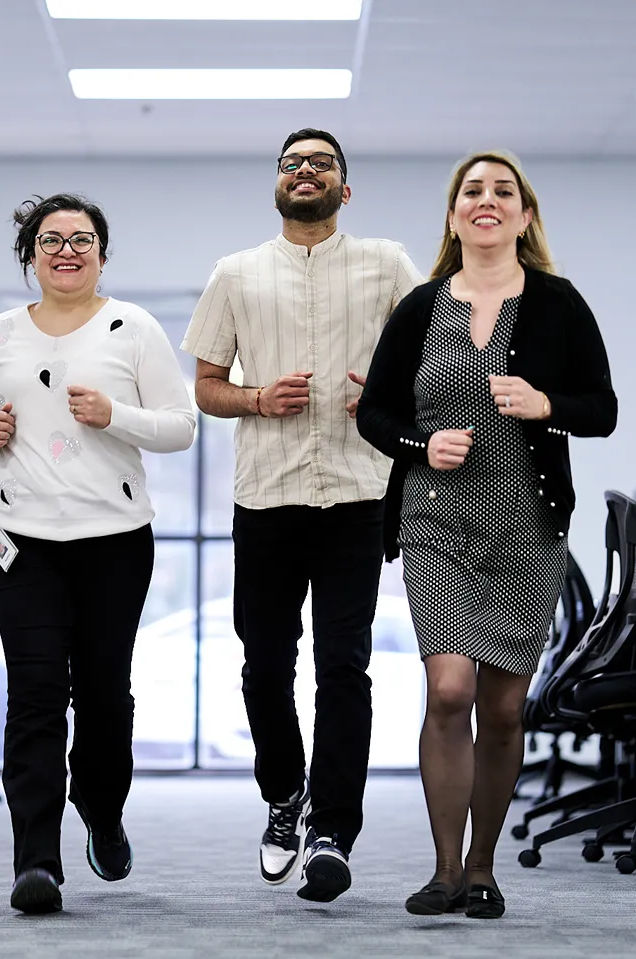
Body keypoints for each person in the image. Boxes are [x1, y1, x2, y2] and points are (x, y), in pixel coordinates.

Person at [356, 150, 617, 919]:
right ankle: (444, 869)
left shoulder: (558, 304)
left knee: (503, 710)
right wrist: (421, 443)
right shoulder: (421, 307)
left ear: (524, 215)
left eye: (504, 190)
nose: (487, 200)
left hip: (527, 529)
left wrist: (546, 404)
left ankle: (482, 866)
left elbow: (602, 409)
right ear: (453, 215)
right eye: (472, 190)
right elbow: (375, 413)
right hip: (436, 520)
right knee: (450, 689)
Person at [181, 129, 424, 903]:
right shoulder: (236, 273)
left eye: (321, 162)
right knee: (264, 664)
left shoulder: (388, 262)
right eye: (293, 163)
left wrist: (384, 397)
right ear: (278, 184)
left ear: (344, 188)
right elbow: (205, 385)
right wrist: (256, 398)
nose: (306, 170)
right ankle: (286, 793)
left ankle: (333, 831)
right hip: (266, 496)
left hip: (358, 494)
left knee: (344, 664)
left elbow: (439, 359)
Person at [0, 193, 196, 915]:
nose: (66, 250)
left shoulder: (134, 328)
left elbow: (181, 425)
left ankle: (101, 804)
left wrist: (115, 415)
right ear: (31, 255)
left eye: (81, 239)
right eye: (51, 240)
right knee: (33, 697)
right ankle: (36, 860)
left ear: (102, 255)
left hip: (115, 540)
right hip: (20, 540)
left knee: (103, 695)